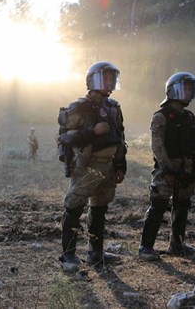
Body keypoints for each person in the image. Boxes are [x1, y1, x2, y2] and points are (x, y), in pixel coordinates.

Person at [57, 61, 126, 271]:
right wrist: (92, 132)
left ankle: (95, 252)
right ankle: (68, 256)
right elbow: (64, 138)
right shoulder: (79, 107)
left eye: (112, 78)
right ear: (93, 80)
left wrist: (120, 165)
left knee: (100, 208)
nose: (109, 82)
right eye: (105, 77)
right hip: (87, 165)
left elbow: (120, 137)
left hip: (109, 165)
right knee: (75, 208)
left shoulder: (113, 107)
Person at [138, 72, 195, 261]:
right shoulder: (161, 117)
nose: (189, 93)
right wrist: (167, 169)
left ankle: (177, 244)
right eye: (186, 88)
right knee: (158, 206)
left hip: (187, 169)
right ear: (174, 90)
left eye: (191, 89)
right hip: (168, 168)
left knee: (182, 205)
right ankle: (146, 247)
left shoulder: (190, 117)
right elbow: (158, 145)